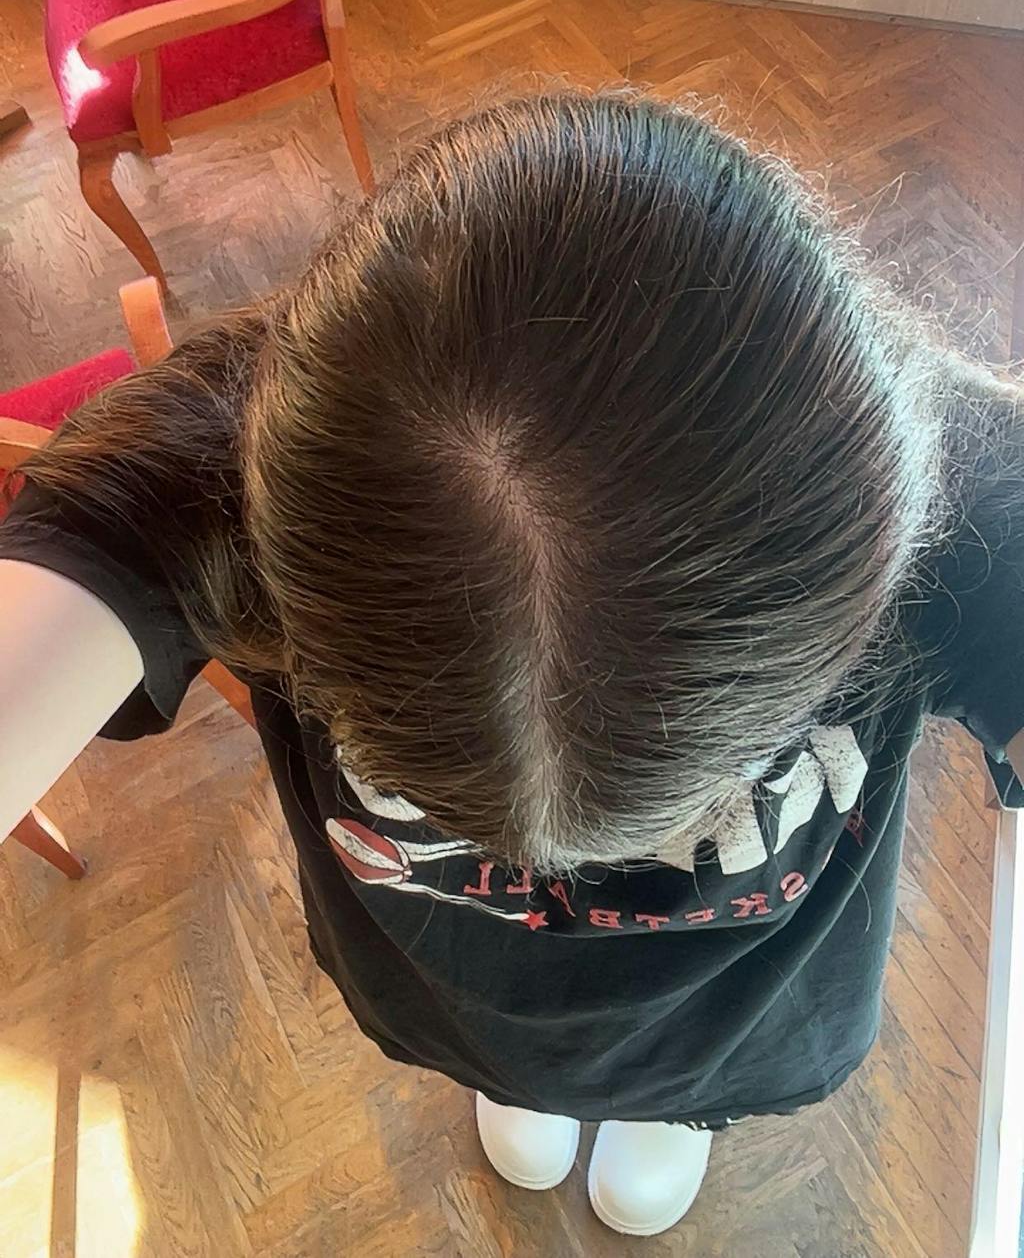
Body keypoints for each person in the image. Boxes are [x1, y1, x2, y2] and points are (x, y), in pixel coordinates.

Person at [2, 91, 1022, 1240]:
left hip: (726, 1034)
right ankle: (528, 1084)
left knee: (658, 1118)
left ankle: (664, 1112)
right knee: (520, 1099)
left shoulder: (965, 525)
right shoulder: (215, 486)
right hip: (458, 1011)